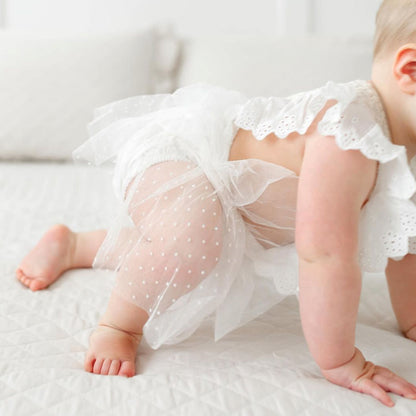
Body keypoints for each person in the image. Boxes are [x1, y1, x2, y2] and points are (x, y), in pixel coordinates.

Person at [14, 0, 416, 407]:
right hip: (190, 157)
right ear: (410, 70)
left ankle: (78, 245)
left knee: (200, 241)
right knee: (193, 237)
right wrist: (342, 361)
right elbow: (325, 256)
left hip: (228, 209)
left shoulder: (407, 148)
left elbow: (405, 243)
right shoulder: (350, 136)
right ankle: (120, 325)